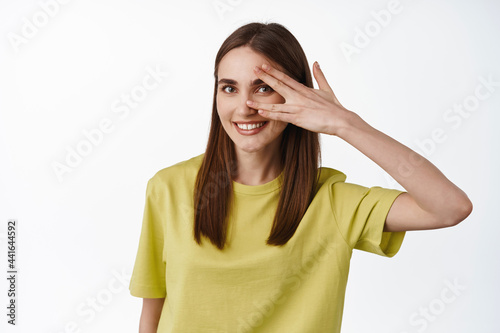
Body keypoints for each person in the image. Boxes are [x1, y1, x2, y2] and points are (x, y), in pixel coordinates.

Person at [129, 22, 472, 333]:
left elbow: (450, 207)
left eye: (263, 88)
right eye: (229, 88)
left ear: (297, 96)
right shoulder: (169, 188)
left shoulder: (332, 202)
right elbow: (153, 310)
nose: (245, 106)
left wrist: (344, 123)